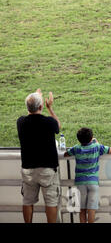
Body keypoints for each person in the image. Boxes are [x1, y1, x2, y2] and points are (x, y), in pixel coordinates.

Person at [17, 88, 62, 223]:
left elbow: (30, 113)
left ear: (27, 108)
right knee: (51, 202)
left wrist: (36, 97)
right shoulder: (49, 122)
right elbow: (58, 126)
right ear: (41, 106)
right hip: (47, 169)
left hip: (28, 169)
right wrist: (50, 108)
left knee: (27, 201)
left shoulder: (21, 122)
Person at [64, 127, 111, 223]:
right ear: (91, 138)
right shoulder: (97, 147)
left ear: (78, 139)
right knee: (91, 209)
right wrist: (97, 143)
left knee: (82, 209)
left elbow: (66, 154)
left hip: (80, 183)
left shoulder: (77, 148)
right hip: (93, 182)